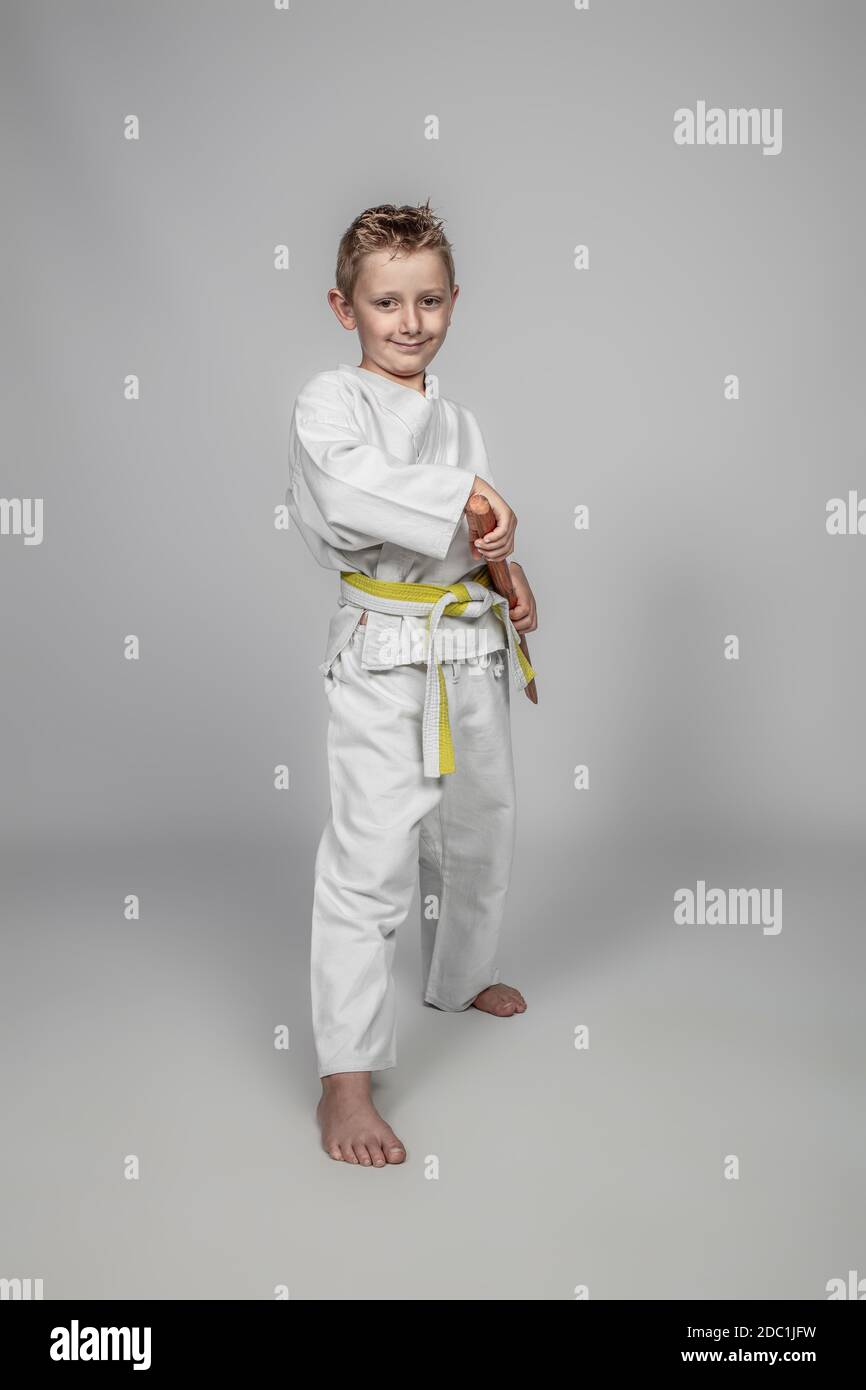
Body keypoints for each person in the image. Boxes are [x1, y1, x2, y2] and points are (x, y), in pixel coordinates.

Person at [286, 201, 539, 1166]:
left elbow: (474, 536)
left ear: (453, 301)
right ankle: (344, 1082)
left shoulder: (458, 416)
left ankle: (459, 974)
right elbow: (348, 496)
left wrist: (508, 573)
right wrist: (468, 496)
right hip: (384, 655)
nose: (409, 321)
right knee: (369, 857)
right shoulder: (329, 403)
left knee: (481, 823)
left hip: (465, 646)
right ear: (344, 306)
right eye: (386, 301)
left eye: (429, 300)